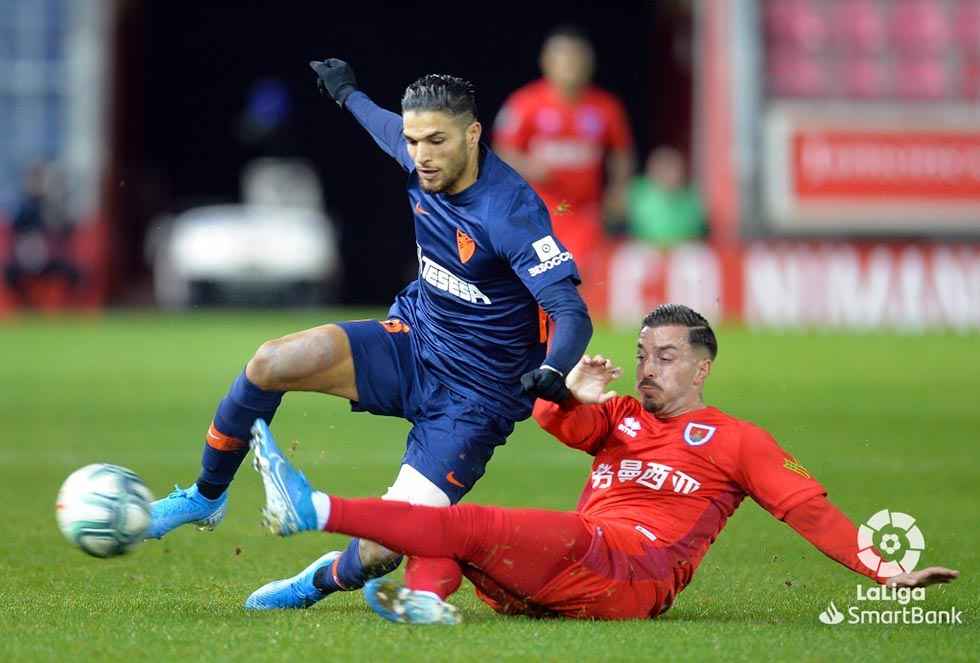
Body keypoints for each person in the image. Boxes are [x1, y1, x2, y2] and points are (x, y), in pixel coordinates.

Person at [145, 60, 593, 612]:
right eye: (414, 141)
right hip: (415, 340)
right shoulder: (417, 155)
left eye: (436, 140)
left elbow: (570, 311)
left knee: (383, 548)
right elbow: (381, 124)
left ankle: (317, 582)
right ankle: (205, 497)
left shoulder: (511, 214)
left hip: (475, 399)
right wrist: (347, 93)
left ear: (473, 134)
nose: (422, 155)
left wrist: (554, 367)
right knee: (271, 361)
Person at [247, 303, 959, 624]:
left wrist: (884, 570)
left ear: (704, 366)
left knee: (461, 524)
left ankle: (314, 510)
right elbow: (557, 420)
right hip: (567, 570)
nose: (649, 369)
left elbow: (810, 511)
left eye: (667, 357)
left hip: (631, 571)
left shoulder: (740, 440)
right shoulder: (619, 416)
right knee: (455, 535)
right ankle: (420, 600)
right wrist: (566, 390)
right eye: (643, 355)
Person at [493, 25, 635, 273]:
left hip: (585, 213)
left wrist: (619, 190)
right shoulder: (525, 104)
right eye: (563, 57)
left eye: (577, 57)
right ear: (547, 61)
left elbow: (621, 153)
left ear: (589, 62)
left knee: (580, 276)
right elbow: (502, 151)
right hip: (536, 212)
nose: (571, 64)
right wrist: (528, 166)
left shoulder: (606, 108)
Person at [3, 162, 82, 306]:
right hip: (25, 258)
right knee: (9, 272)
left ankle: (70, 306)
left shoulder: (51, 204)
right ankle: (24, 303)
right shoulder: (23, 206)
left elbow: (66, 229)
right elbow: (15, 231)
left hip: (48, 257)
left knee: (74, 272)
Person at [628, 147, 705, 245]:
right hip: (644, 250)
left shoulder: (692, 198)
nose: (669, 175)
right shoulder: (637, 192)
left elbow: (697, 230)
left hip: (682, 251)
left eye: (673, 169)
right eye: (663, 169)